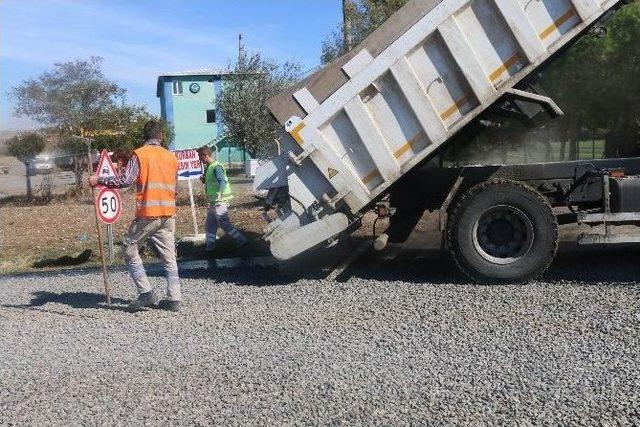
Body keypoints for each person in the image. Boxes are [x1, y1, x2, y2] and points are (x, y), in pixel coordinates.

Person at [89, 121, 182, 312]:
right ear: (161, 137)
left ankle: (145, 292)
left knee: (129, 247)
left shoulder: (140, 154)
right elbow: (175, 188)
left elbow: (126, 180)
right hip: (168, 214)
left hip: (148, 214)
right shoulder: (171, 157)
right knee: (169, 257)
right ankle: (174, 298)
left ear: (144, 137)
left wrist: (99, 180)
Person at [196, 146, 247, 252]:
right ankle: (210, 247)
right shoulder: (210, 166)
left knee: (224, 223)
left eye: (200, 157)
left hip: (220, 201)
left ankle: (242, 241)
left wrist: (220, 193)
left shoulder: (216, 166)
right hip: (214, 201)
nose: (199, 159)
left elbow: (222, 181)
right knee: (210, 224)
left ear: (205, 155)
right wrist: (204, 180)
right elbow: (212, 182)